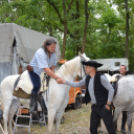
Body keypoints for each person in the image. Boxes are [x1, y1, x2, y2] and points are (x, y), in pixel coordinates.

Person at [59, 60, 116, 134]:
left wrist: (108, 104)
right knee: (92, 129)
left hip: (104, 107)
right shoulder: (87, 78)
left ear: (91, 68)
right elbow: (78, 84)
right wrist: (64, 81)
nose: (85, 68)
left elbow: (111, 89)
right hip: (95, 108)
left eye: (86, 67)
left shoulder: (101, 77)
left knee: (111, 130)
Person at [27, 38, 62, 113]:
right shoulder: (40, 53)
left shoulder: (53, 53)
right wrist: (56, 77)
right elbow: (46, 68)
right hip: (34, 71)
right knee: (37, 85)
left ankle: (48, 106)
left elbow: (52, 66)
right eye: (52, 47)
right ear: (47, 46)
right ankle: (32, 107)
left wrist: (52, 77)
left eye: (54, 47)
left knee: (49, 86)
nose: (54, 49)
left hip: (44, 72)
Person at [119, 65, 127, 133]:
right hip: (117, 99)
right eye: (120, 68)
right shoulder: (116, 77)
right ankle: (114, 127)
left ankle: (122, 128)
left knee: (125, 114)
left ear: (125, 70)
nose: (121, 69)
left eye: (122, 68)